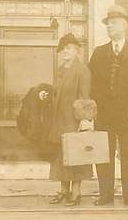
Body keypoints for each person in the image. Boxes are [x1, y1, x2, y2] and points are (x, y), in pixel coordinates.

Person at [89, 5, 128, 206]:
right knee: (103, 156)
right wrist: (92, 112)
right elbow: (90, 83)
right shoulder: (99, 53)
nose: (110, 27)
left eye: (114, 23)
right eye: (108, 23)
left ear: (125, 25)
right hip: (104, 115)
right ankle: (105, 195)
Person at [43, 33, 96, 206]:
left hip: (73, 121)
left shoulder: (82, 70)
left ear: (76, 51)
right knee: (60, 157)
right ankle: (64, 190)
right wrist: (47, 95)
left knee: (76, 155)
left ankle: (76, 192)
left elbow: (85, 96)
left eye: (68, 49)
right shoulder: (60, 70)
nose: (64, 52)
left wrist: (85, 120)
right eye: (62, 49)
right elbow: (57, 94)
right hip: (59, 121)